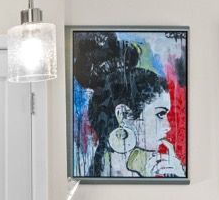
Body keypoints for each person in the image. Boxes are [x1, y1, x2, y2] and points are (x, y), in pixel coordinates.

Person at [75, 36, 184, 179]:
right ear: (124, 114)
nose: (168, 126)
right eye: (160, 114)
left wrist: (177, 178)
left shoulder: (161, 171)